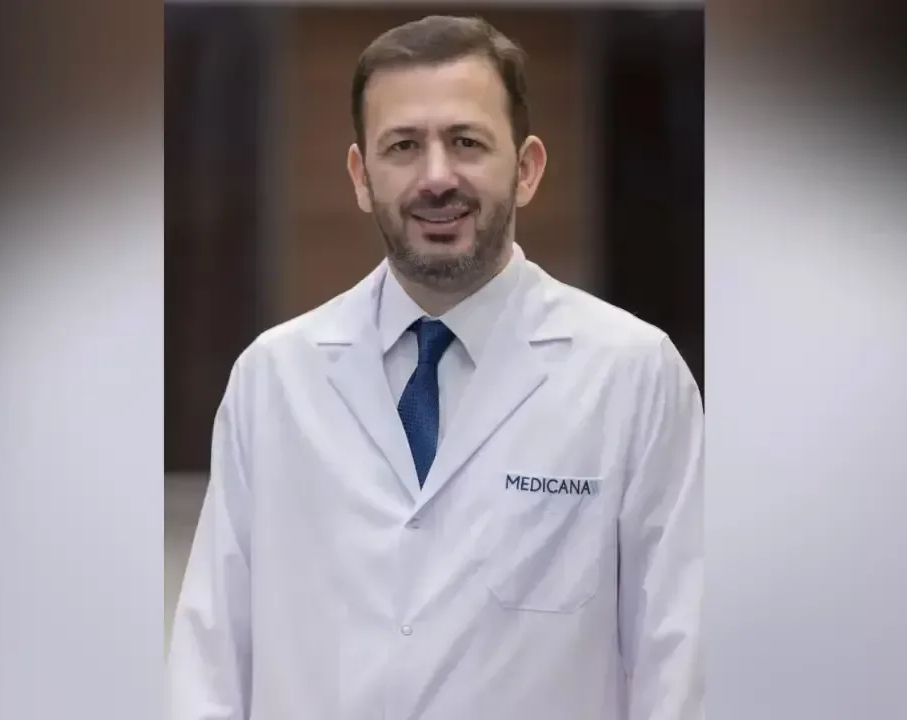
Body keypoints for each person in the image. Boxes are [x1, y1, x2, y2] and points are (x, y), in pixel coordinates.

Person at [168, 15, 704, 720]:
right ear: (361, 176)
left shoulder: (633, 375)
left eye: (466, 142)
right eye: (403, 146)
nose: (436, 177)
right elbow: (209, 662)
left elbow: (678, 660)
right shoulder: (274, 379)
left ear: (527, 168)